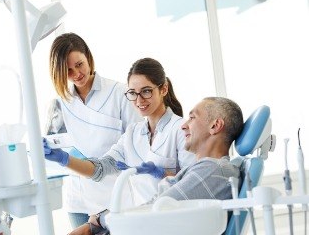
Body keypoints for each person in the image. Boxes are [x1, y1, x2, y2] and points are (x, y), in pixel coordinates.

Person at [43, 57, 195, 225]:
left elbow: (195, 183)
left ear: (164, 89)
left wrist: (162, 174)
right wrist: (64, 159)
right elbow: (100, 169)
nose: (138, 101)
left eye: (146, 91)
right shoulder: (132, 134)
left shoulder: (181, 129)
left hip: (174, 222)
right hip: (143, 222)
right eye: (132, 93)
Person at [67, 96, 244, 235]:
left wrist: (98, 221)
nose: (184, 125)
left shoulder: (212, 170)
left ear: (215, 125)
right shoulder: (205, 169)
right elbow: (158, 204)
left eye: (192, 117)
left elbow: (155, 209)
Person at [45, 32, 142, 228]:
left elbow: (136, 146)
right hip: (78, 196)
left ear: (88, 56)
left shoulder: (119, 93)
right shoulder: (62, 101)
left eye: (79, 64)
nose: (77, 74)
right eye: (68, 71)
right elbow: (57, 142)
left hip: (114, 193)